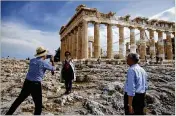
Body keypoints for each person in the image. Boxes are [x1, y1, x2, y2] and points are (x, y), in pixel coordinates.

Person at [5, 46, 56, 115]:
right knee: (38, 105)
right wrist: (52, 61)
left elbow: (39, 59)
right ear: (44, 54)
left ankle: (8, 113)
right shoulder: (44, 63)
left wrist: (46, 57)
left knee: (19, 100)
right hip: (36, 85)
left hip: (27, 82)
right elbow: (53, 69)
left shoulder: (32, 61)